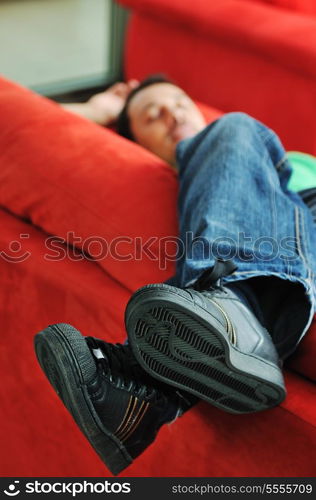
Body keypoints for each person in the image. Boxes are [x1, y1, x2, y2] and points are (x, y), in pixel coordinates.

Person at [34, 75, 316, 475]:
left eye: (180, 100)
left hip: (307, 212)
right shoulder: (193, 184)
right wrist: (97, 111)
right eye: (153, 115)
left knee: (235, 127)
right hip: (289, 257)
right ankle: (228, 319)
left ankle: (142, 393)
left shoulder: (255, 145)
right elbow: (29, 124)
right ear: (138, 144)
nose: (172, 112)